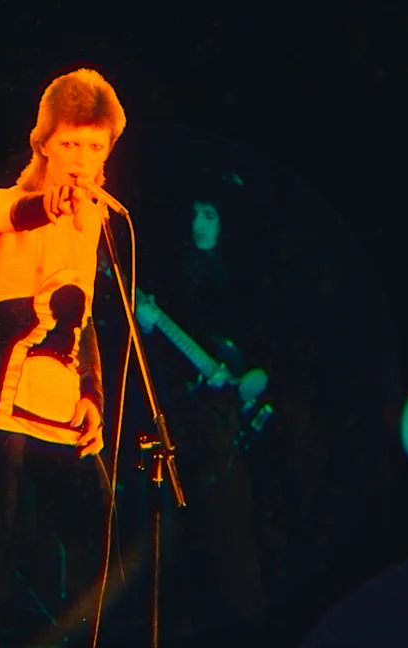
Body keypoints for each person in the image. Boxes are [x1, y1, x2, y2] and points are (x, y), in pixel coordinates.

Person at [0, 68, 124, 647]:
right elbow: (18, 214)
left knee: (97, 536)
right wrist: (50, 205)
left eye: (95, 147)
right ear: (45, 143)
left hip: (63, 397)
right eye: (71, 143)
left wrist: (93, 395)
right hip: (4, 390)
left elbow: (86, 318)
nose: (82, 158)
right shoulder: (3, 203)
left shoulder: (94, 221)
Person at [133, 192, 270, 638]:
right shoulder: (176, 271)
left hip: (234, 419)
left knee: (235, 522)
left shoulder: (244, 277)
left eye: (209, 215)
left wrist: (259, 374)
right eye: (194, 214)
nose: (199, 224)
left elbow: (267, 339)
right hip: (192, 418)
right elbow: (163, 353)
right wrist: (147, 327)